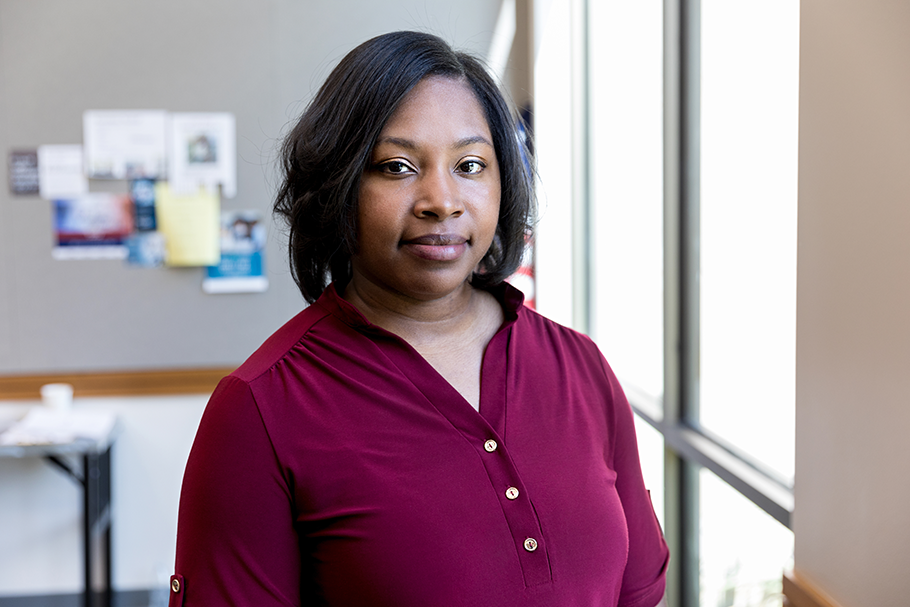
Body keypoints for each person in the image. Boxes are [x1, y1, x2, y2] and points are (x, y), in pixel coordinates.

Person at [170, 30, 669, 607]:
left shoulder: (579, 367)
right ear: (339, 184)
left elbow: (636, 591)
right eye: (398, 166)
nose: (442, 199)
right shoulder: (261, 409)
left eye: (471, 164)